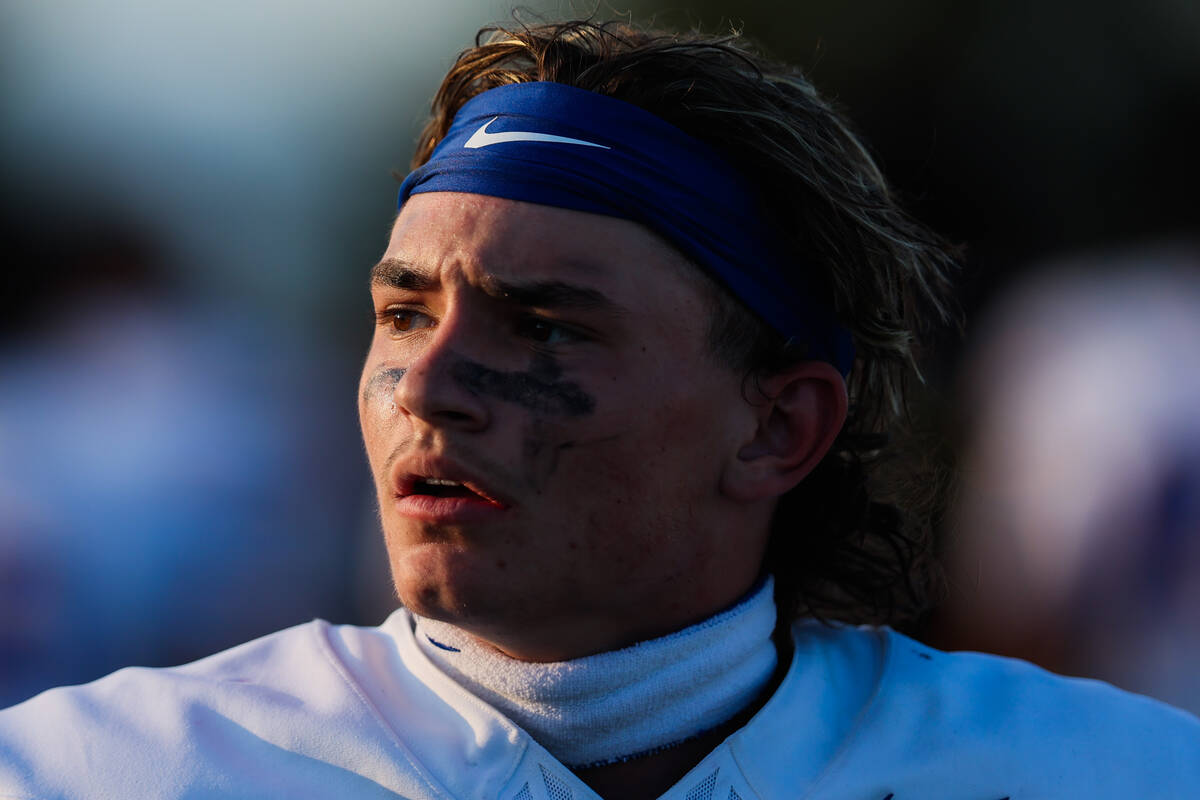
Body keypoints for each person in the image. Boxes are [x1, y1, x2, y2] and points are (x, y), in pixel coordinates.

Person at [1, 19, 1196, 800]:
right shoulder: (92, 772)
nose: (425, 385)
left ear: (780, 425)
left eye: (546, 325)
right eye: (405, 313)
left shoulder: (1109, 773)